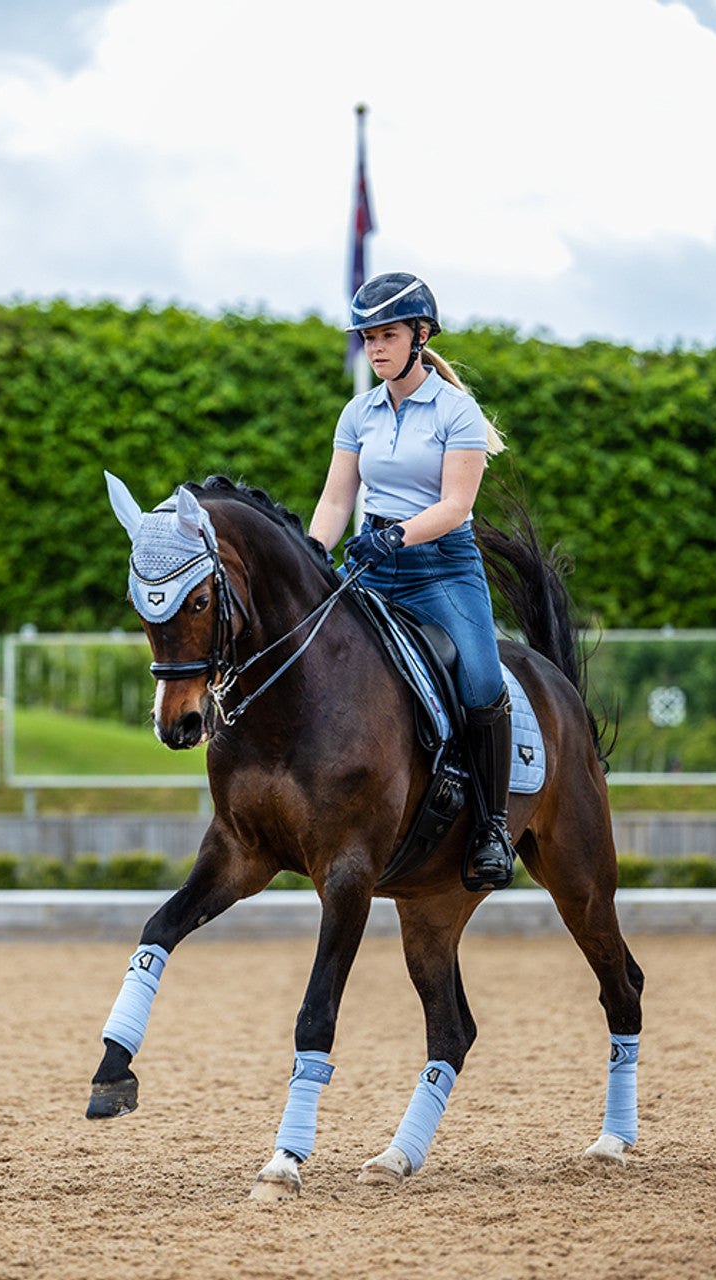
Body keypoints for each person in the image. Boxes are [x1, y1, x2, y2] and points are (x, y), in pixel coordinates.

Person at [309, 271, 515, 890]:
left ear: (420, 336)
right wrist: (313, 558)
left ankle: (493, 827)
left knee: (481, 680)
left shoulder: (460, 412)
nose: (374, 347)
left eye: (387, 335)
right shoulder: (358, 412)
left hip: (442, 567)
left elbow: (454, 506)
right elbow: (334, 501)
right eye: (367, 337)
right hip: (372, 562)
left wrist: (395, 534)